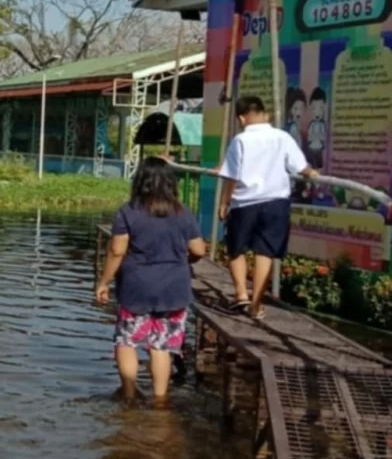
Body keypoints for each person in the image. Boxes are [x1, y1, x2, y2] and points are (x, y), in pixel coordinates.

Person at [95, 158, 207, 404]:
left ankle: (128, 396)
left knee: (127, 340)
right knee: (162, 346)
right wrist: (181, 261)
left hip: (137, 288)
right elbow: (199, 249)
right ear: (170, 183)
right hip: (174, 289)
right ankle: (159, 401)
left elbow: (116, 251)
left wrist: (103, 282)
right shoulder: (182, 212)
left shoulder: (128, 211)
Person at [218, 94, 318, 318]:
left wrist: (224, 202)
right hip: (276, 202)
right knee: (265, 251)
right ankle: (256, 303)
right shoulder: (281, 137)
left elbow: (231, 176)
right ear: (264, 114)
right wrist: (311, 172)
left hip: (245, 202)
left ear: (242, 119)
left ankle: (241, 293)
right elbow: (299, 166)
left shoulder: (240, 141)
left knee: (236, 248)